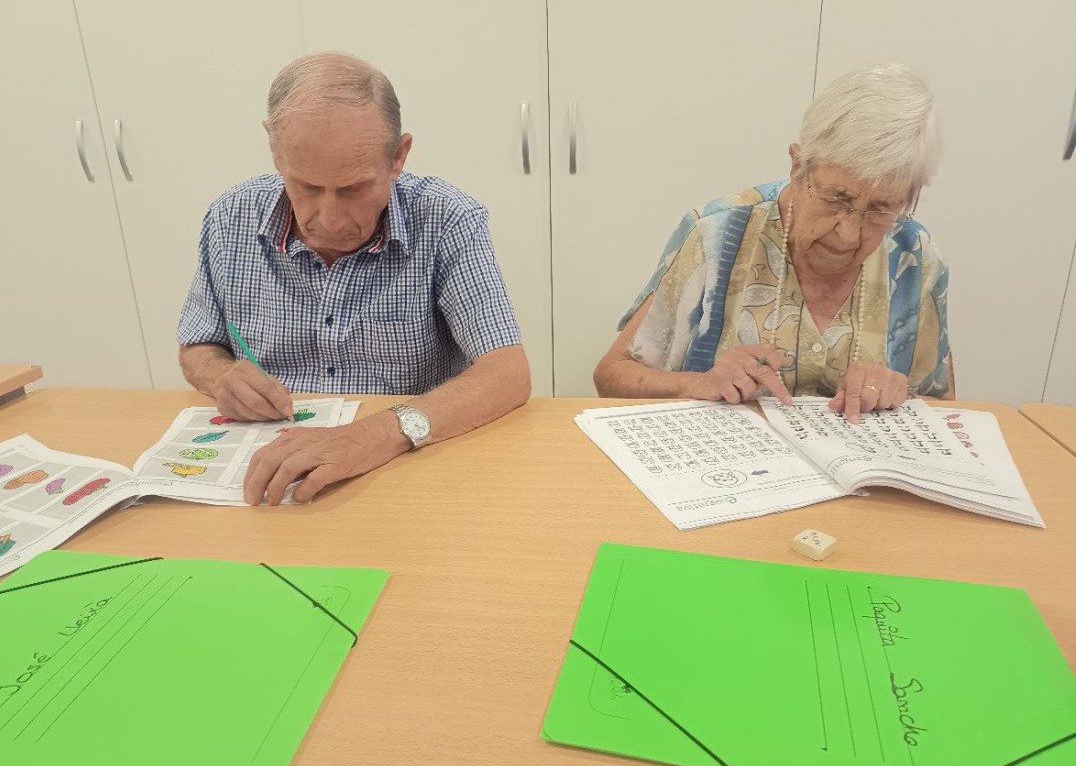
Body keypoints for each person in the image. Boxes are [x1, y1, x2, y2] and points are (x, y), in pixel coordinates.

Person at [177, 53, 530, 505]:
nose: (329, 219)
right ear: (276, 154)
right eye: (306, 187)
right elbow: (198, 346)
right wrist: (221, 376)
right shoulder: (231, 218)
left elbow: (508, 373)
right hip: (267, 462)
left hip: (409, 463)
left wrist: (367, 437)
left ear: (398, 157)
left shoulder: (447, 219)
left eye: (354, 189)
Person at [594, 65, 953, 423]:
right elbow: (612, 374)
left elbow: (947, 407)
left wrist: (899, 392)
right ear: (798, 166)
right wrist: (698, 383)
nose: (848, 232)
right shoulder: (717, 233)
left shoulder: (914, 256)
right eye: (836, 197)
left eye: (880, 208)